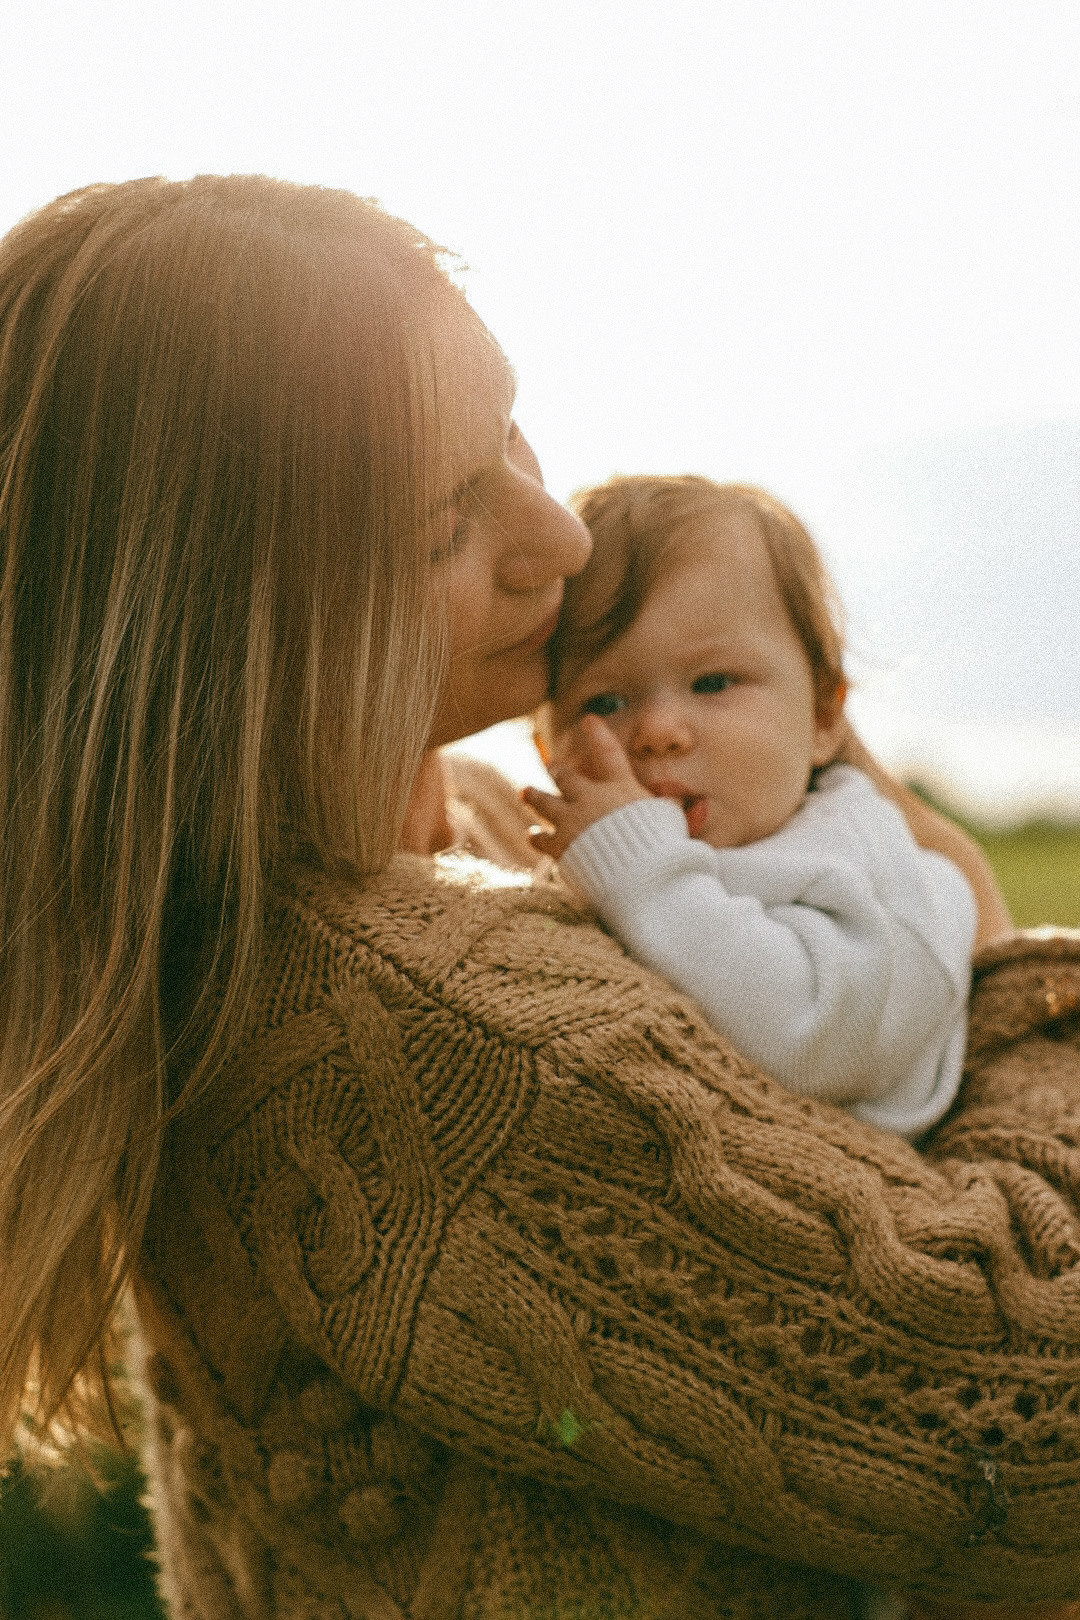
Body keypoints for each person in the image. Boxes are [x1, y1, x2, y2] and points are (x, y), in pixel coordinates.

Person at [2, 176, 1080, 1620]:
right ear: (251, 629)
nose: (559, 542)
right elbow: (1039, 1427)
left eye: (510, 428)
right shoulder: (436, 1038)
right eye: (450, 519)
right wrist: (1006, 990)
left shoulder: (423, 858)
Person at [524, 475, 976, 1139]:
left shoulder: (871, 869)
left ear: (824, 717)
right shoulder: (580, 872)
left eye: (712, 683)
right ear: (547, 752)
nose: (657, 731)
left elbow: (814, 1039)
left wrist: (642, 871)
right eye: (605, 703)